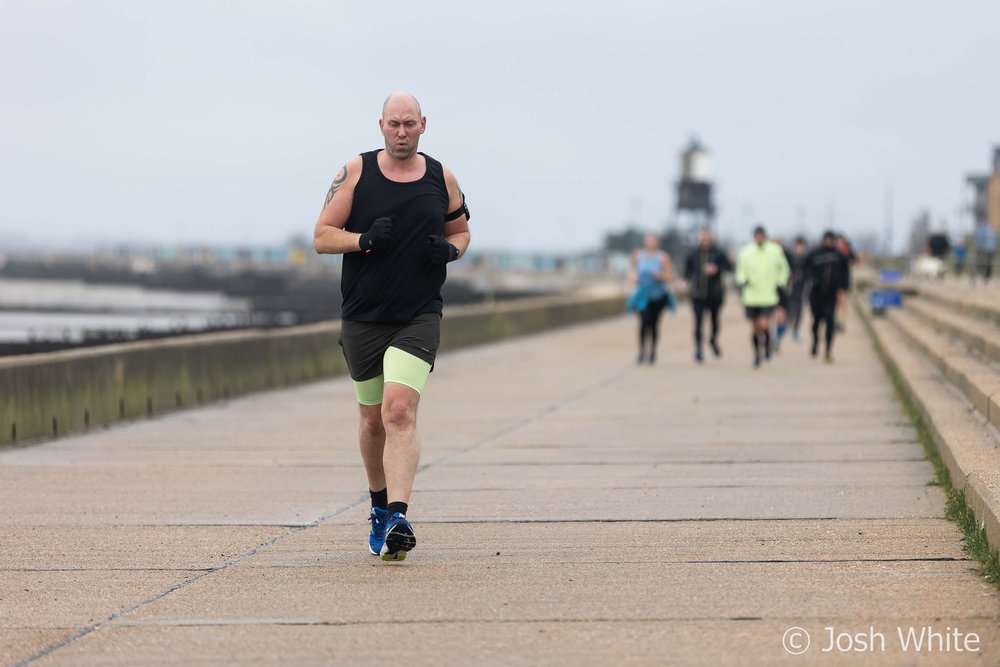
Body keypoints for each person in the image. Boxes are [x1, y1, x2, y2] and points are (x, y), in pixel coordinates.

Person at [312, 92, 471, 562]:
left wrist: (451, 251)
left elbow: (460, 233)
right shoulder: (355, 173)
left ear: (423, 125)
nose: (401, 132)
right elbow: (321, 236)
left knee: (399, 411)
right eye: (393, 124)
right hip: (363, 315)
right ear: (380, 125)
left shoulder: (443, 177)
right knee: (371, 417)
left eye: (409, 124)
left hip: (419, 313)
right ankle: (379, 508)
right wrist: (362, 240)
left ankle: (399, 516)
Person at [735, 225, 790, 368]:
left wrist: (780, 283)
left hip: (768, 295)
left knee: (764, 324)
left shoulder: (775, 251)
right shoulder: (746, 252)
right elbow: (740, 271)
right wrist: (742, 280)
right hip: (751, 296)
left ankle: (767, 343)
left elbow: (784, 269)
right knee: (754, 328)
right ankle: (756, 354)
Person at [683, 227, 731, 362]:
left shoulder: (719, 252)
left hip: (715, 294)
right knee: (698, 322)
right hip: (697, 294)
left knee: (715, 321)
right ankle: (698, 348)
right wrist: (685, 280)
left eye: (707, 237)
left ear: (711, 238)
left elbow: (729, 267)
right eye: (702, 237)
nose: (705, 240)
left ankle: (713, 339)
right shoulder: (693, 253)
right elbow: (687, 271)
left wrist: (716, 269)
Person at [804, 231, 849, 363]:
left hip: (831, 294)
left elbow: (845, 274)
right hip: (816, 293)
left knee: (830, 320)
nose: (829, 242)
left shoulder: (839, 256)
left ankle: (828, 350)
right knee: (816, 321)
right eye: (827, 239)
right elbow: (805, 268)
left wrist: (843, 289)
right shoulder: (814, 254)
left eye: (831, 240)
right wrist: (811, 279)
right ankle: (816, 341)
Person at [629, 232, 673, 364]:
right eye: (648, 240)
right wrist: (633, 278)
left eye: (653, 240)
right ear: (645, 242)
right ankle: (642, 351)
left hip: (658, 296)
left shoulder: (663, 257)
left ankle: (653, 351)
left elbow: (669, 276)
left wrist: (660, 275)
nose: (651, 243)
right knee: (643, 322)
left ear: (657, 242)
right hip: (642, 296)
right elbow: (632, 270)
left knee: (654, 324)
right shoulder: (638, 256)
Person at [786, 237, 809, 342]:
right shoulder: (790, 258)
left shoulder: (807, 260)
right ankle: (785, 330)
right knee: (790, 312)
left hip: (801, 290)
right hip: (790, 289)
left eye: (801, 247)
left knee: (799, 312)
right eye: (798, 246)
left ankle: (795, 332)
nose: (799, 249)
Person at [834, 233, 856, 331]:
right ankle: (836, 321)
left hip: (844, 280)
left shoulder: (847, 250)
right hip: (834, 281)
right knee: (835, 303)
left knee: (842, 303)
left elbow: (853, 260)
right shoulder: (833, 251)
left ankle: (841, 322)